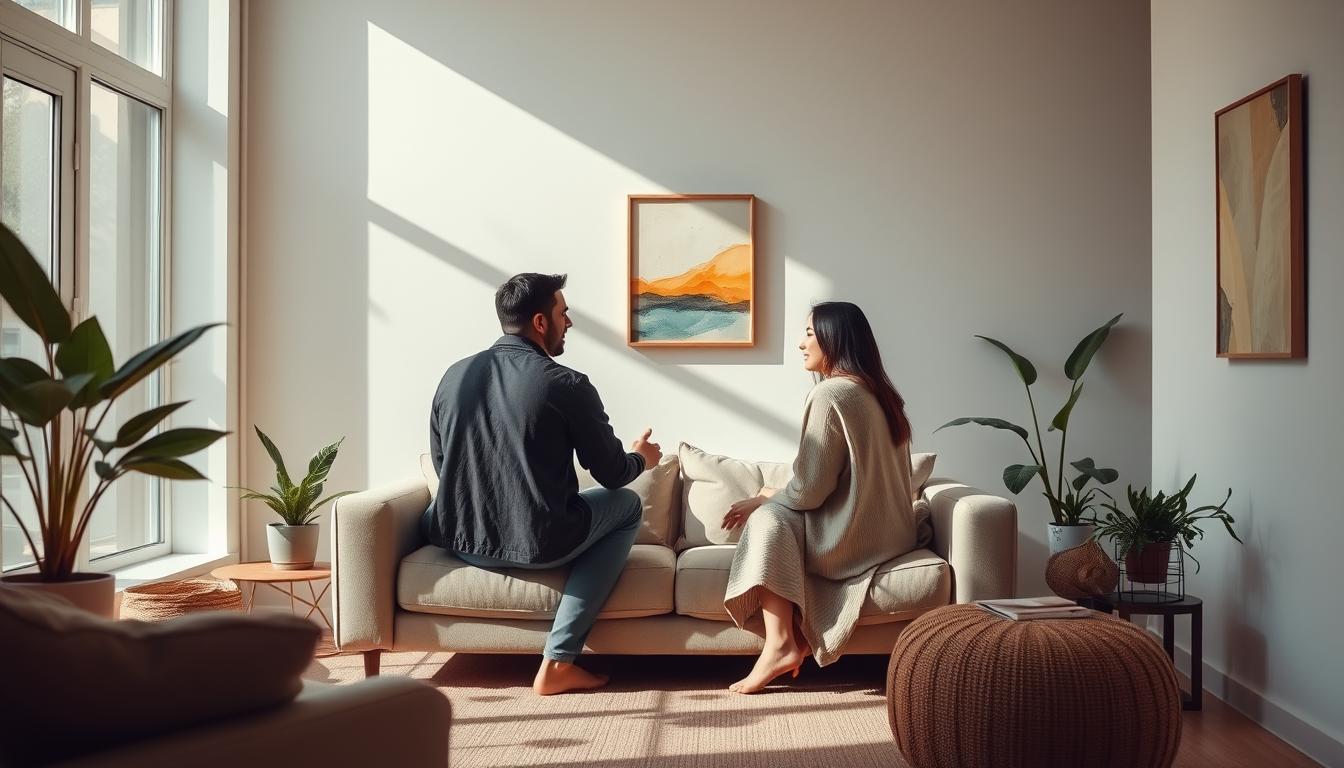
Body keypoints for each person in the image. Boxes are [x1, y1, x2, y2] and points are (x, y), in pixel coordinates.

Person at [422, 273, 662, 695]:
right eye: (563, 313)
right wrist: (641, 458)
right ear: (540, 322)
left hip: (460, 539)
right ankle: (558, 661)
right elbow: (611, 474)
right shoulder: (565, 384)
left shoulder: (453, 375)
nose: (568, 323)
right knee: (626, 504)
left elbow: (444, 466)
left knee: (432, 510)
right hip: (539, 544)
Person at [721, 301, 921, 694]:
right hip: (893, 535)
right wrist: (774, 493)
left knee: (768, 521)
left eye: (810, 333)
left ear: (836, 339)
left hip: (855, 540)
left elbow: (811, 491)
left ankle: (780, 646)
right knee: (774, 507)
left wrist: (765, 501)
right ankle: (782, 644)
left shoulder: (831, 394)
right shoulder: (880, 394)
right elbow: (837, 483)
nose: (800, 343)